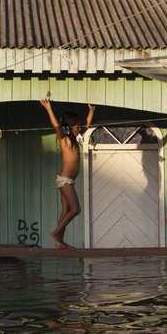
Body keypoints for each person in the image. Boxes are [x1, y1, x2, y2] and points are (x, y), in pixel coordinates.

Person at [40, 98, 95, 249]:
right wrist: (48, 108)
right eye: (77, 126)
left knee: (65, 211)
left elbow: (88, 124)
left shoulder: (76, 138)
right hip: (65, 180)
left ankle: (60, 242)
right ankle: (55, 233)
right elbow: (56, 125)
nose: (80, 128)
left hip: (68, 180)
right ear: (70, 127)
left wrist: (91, 111)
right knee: (76, 209)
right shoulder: (65, 140)